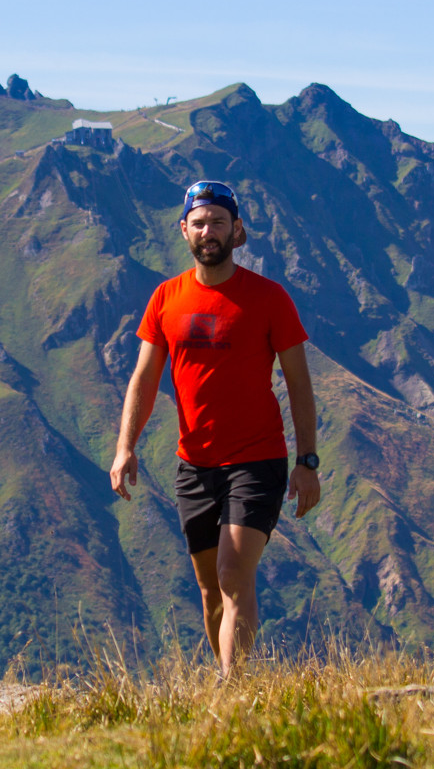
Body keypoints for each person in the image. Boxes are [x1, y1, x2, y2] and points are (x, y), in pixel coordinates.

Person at [109, 180, 322, 677]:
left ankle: (232, 694)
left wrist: (307, 461)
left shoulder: (269, 299)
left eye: (219, 222)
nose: (209, 232)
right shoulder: (166, 298)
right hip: (195, 465)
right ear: (184, 230)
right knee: (210, 594)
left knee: (232, 576)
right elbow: (144, 378)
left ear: (237, 230)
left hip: (257, 460)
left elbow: (299, 383)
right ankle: (233, 681)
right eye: (200, 222)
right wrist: (125, 448)